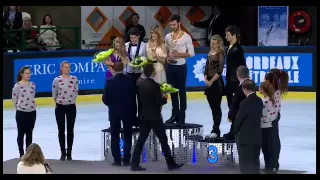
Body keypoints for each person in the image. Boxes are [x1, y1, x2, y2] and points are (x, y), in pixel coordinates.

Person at [131, 64, 183, 171]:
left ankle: (134, 164)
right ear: (153, 72)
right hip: (155, 117)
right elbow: (158, 102)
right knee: (163, 141)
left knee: (141, 141)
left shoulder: (140, 84)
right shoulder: (155, 85)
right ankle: (171, 164)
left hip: (144, 116)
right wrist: (164, 98)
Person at [102, 62, 137, 166]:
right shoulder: (130, 80)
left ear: (114, 69)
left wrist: (111, 105)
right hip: (128, 111)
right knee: (127, 135)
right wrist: (134, 112)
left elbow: (105, 99)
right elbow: (133, 97)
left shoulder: (109, 82)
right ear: (123, 68)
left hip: (114, 112)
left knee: (115, 135)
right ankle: (126, 159)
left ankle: (117, 160)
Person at [165, 14, 195, 125]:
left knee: (181, 91)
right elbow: (167, 50)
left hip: (181, 67)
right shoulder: (168, 36)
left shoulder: (186, 37)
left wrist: (177, 55)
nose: (172, 27)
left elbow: (192, 53)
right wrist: (168, 57)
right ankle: (174, 114)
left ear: (179, 23)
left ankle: (182, 116)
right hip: (170, 66)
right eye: (171, 25)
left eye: (174, 24)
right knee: (172, 91)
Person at [234, 79, 263, 174]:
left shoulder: (244, 103)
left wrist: (235, 131)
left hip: (245, 139)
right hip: (256, 138)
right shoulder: (259, 101)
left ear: (245, 89)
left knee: (245, 164)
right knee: (255, 162)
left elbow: (238, 120)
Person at [52, 61, 79, 161]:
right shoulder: (56, 80)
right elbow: (54, 94)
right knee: (61, 130)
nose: (68, 69)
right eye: (66, 67)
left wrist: (70, 100)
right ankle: (63, 152)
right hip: (60, 107)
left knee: (70, 130)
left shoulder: (74, 79)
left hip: (71, 106)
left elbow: (76, 91)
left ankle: (69, 153)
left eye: (69, 67)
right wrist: (60, 102)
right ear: (61, 68)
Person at [265, 69, 289, 172]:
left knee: (272, 141)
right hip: (275, 115)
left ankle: (272, 164)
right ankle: (274, 163)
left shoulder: (273, 91)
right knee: (274, 139)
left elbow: (268, 106)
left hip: (272, 117)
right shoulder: (276, 89)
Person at [12, 66, 37, 158]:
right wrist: (21, 108)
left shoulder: (33, 85)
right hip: (21, 113)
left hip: (32, 112)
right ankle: (21, 153)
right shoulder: (17, 86)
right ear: (21, 74)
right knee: (21, 133)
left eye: (29, 73)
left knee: (29, 133)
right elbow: (14, 99)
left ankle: (28, 153)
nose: (28, 75)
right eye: (26, 73)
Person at [203, 35, 225, 139]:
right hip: (209, 82)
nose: (211, 45)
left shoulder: (220, 54)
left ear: (218, 44)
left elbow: (219, 71)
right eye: (211, 43)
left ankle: (216, 130)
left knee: (216, 107)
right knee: (213, 108)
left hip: (216, 83)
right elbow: (206, 68)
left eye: (213, 44)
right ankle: (214, 130)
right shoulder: (210, 53)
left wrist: (211, 81)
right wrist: (206, 79)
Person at [224, 65, 249, 141]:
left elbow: (235, 104)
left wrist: (230, 116)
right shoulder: (250, 84)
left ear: (237, 74)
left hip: (240, 115)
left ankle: (233, 133)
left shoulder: (241, 88)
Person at [224, 25, 246, 109]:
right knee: (230, 102)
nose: (226, 37)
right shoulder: (228, 48)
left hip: (236, 79)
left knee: (237, 102)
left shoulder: (238, 49)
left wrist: (242, 78)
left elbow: (242, 64)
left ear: (234, 35)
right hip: (229, 78)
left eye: (228, 35)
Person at [259, 82, 279, 174]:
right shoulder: (272, 100)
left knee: (266, 150)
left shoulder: (265, 102)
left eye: (260, 87)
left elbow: (263, 116)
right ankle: (270, 168)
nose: (258, 88)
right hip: (270, 126)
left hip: (264, 128)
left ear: (263, 90)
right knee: (269, 148)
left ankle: (269, 169)